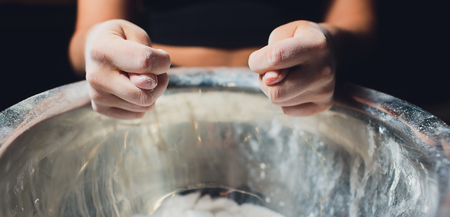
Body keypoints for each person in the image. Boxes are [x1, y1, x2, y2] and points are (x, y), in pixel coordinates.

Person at [69, 0, 376, 120]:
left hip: (297, 100)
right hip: (158, 107)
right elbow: (85, 38)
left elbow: (359, 26)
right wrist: (99, 45)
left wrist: (327, 43)